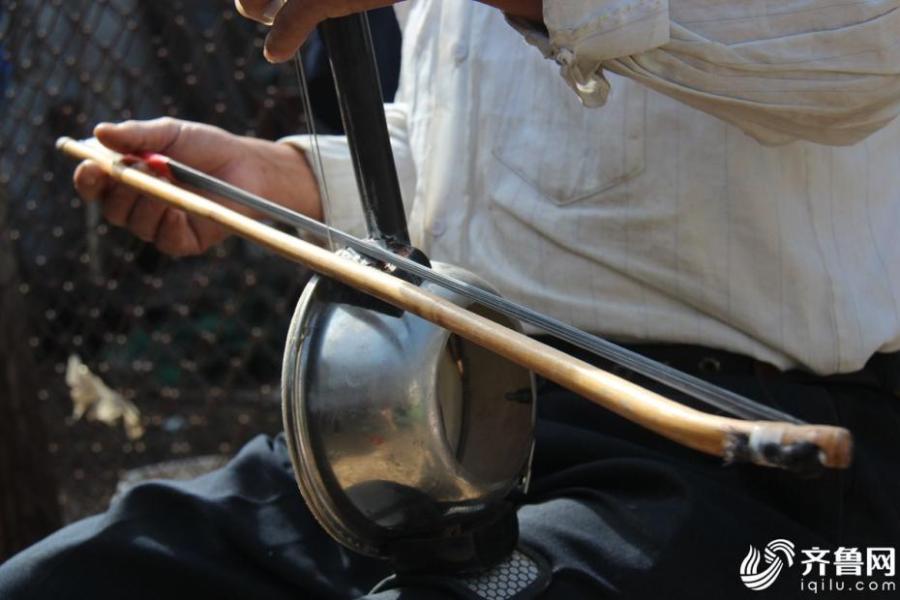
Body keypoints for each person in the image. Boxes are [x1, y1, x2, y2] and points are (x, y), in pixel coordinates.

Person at [3, 1, 900, 598]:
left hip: (745, 460)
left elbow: (861, 49)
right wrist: (286, 175)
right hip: (449, 430)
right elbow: (494, 150)